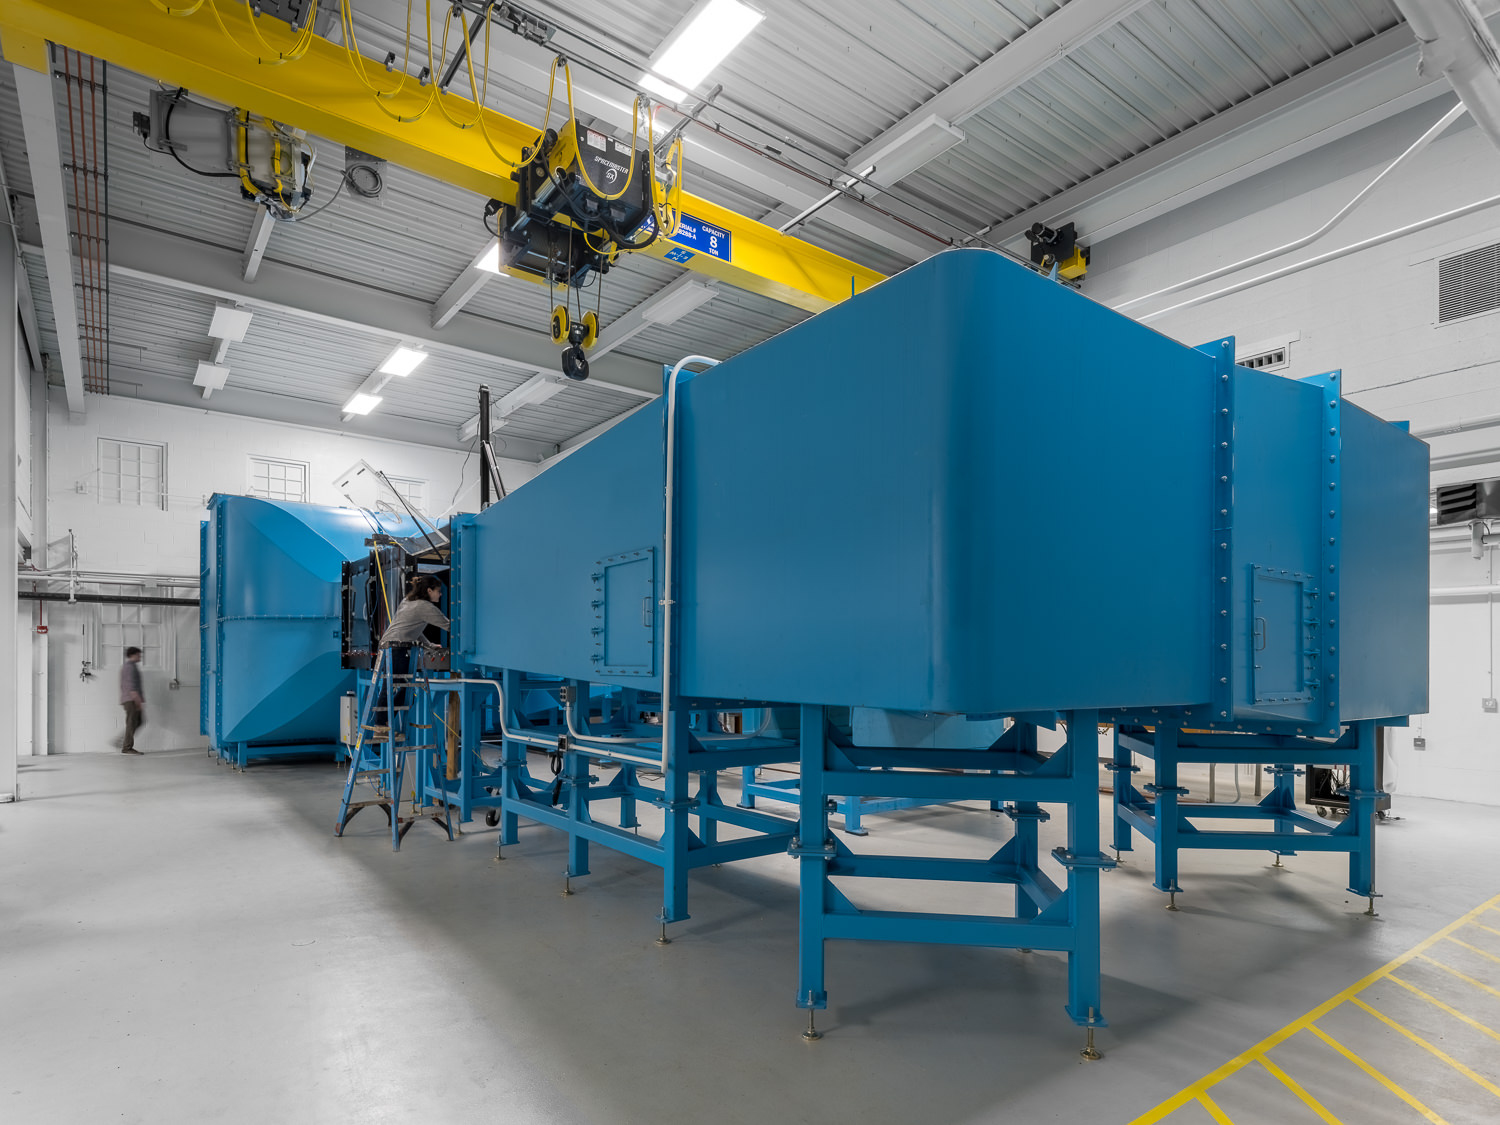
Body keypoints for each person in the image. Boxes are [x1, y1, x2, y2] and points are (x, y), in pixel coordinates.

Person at [373, 575, 449, 726]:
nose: (440, 594)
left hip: (387, 646)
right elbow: (449, 626)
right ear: (429, 590)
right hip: (397, 649)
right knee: (397, 689)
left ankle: (382, 722)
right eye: (438, 591)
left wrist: (429, 645)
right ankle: (380, 725)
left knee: (397, 689)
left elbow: (412, 630)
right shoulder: (425, 607)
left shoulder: (407, 601)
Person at [119, 646, 145, 755]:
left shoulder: (129, 666)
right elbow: (132, 686)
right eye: (138, 655)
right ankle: (126, 747)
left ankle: (123, 741)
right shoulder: (130, 667)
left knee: (137, 722)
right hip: (131, 700)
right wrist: (138, 701)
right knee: (132, 722)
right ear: (132, 655)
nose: (140, 656)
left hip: (129, 699)